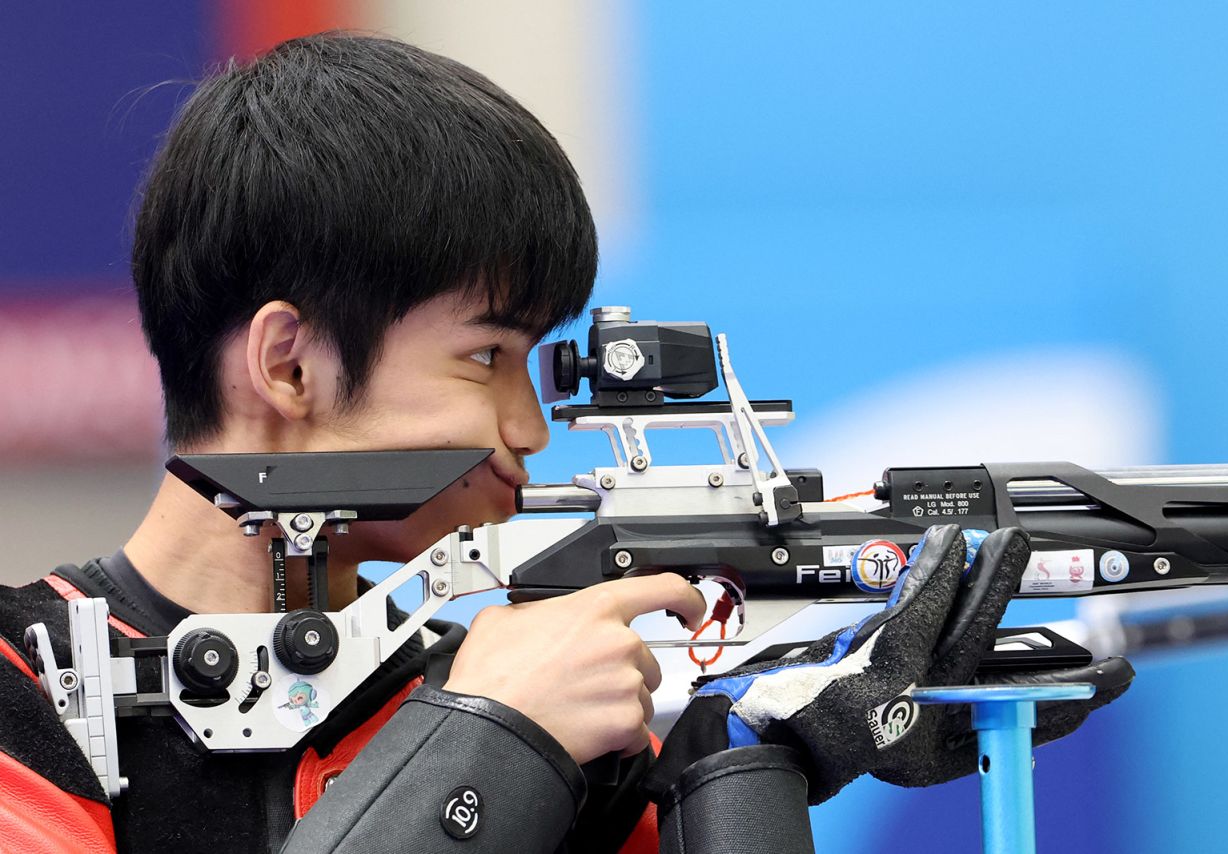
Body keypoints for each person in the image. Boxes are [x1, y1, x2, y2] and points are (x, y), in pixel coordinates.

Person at [0, 33, 1131, 853]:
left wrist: (747, 770)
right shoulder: (20, 691)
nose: (526, 430)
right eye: (485, 356)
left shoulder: (547, 724)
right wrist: (485, 734)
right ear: (290, 364)